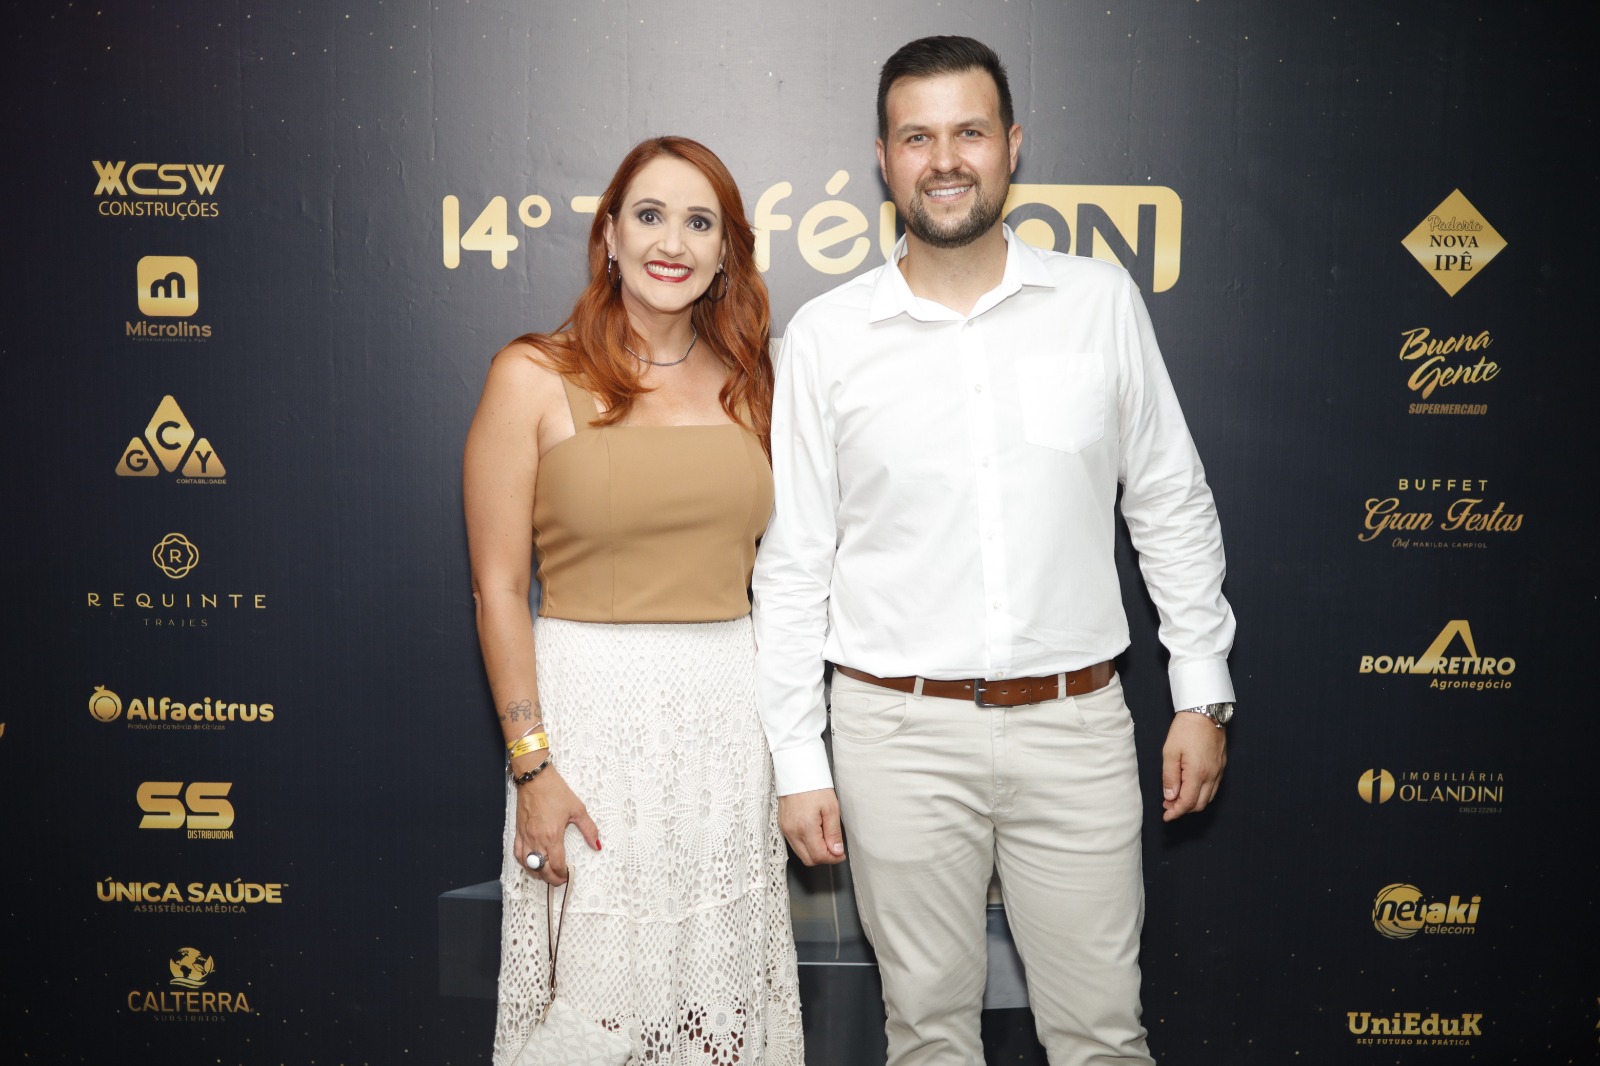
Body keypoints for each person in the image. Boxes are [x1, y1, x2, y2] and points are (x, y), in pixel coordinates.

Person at [752, 36, 1236, 1066]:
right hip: (895, 736)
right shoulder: (827, 336)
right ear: (883, 159)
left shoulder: (1099, 303)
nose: (944, 160)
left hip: (1077, 729)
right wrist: (797, 757)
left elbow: (1169, 502)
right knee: (927, 1037)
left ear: (1012, 146)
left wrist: (1200, 691)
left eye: (968, 132)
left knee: (1103, 1037)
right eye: (916, 137)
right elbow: (794, 562)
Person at [464, 135, 803, 1066]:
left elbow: (791, 571)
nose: (672, 242)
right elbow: (498, 589)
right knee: (594, 1008)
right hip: (591, 726)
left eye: (700, 223)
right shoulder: (532, 374)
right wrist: (532, 768)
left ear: (727, 252)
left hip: (728, 726)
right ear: (609, 235)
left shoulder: (759, 382)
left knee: (712, 1001)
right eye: (650, 215)